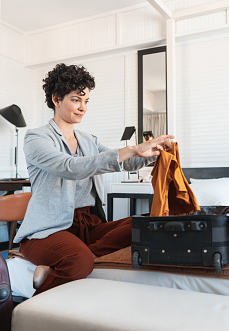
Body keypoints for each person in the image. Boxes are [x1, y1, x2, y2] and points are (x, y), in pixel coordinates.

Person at [13, 63, 173, 295]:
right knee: (79, 260)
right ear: (56, 99)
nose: (83, 107)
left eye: (86, 101)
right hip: (49, 229)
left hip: (89, 224)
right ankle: (31, 309)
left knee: (147, 225)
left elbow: (124, 163)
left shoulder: (89, 140)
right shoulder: (36, 137)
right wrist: (134, 148)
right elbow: (71, 167)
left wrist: (155, 152)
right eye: (76, 100)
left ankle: (61, 263)